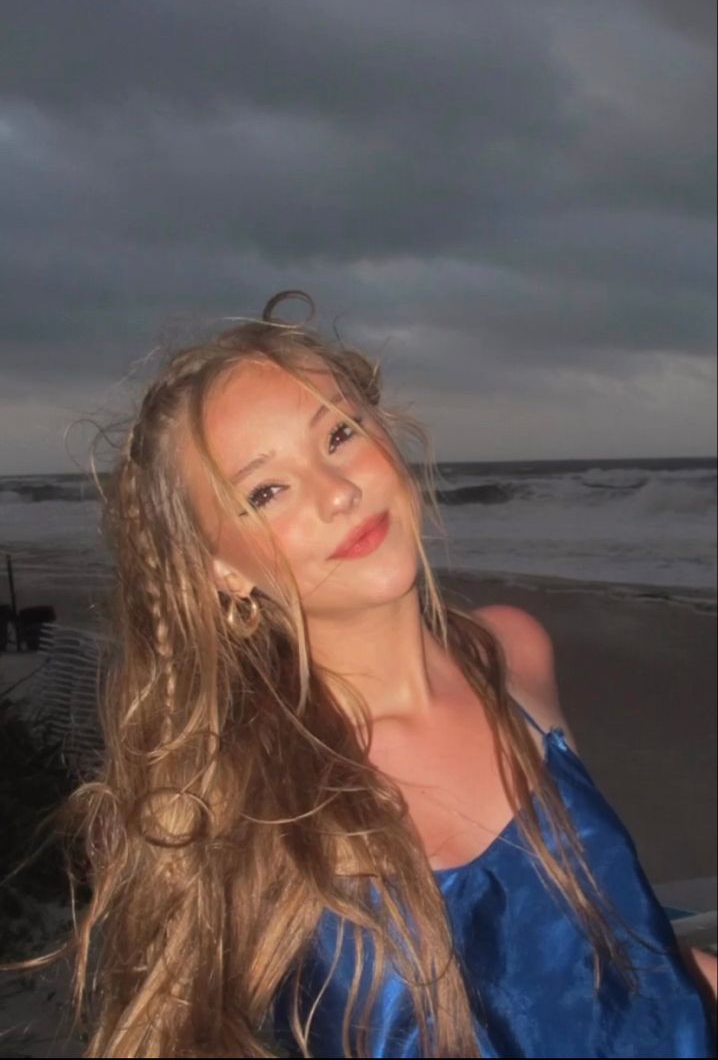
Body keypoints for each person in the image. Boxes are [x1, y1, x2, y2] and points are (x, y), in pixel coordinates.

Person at [13, 291, 716, 1057]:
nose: (338, 492)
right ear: (220, 569)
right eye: (266, 491)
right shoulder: (242, 800)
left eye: (339, 434)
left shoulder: (512, 657)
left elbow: (602, 959)